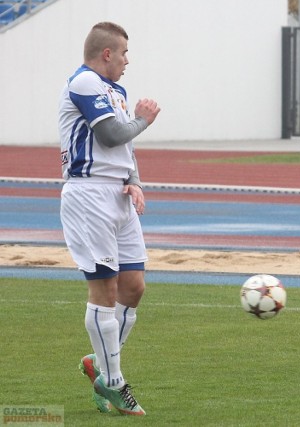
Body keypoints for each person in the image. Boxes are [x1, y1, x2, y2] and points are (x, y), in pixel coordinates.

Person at [58, 21, 161, 415]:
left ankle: (97, 365)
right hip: (89, 196)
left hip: (117, 195)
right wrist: (145, 120)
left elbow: (124, 147)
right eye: (123, 54)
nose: (126, 61)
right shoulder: (84, 83)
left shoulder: (114, 90)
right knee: (104, 290)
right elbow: (112, 136)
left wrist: (133, 179)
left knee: (133, 287)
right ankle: (114, 382)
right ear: (106, 54)